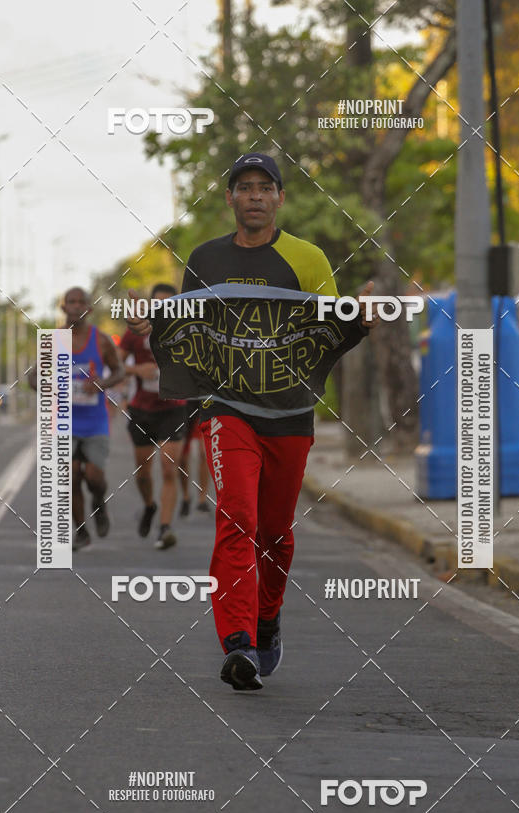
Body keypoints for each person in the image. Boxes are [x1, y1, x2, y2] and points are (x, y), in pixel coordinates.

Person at [126, 152, 380, 690]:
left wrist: (361, 317)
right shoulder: (205, 259)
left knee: (275, 535)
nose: (256, 196)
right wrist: (157, 325)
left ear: (280, 198)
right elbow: (188, 327)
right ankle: (237, 642)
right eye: (245, 187)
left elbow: (327, 332)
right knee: (236, 516)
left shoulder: (307, 260)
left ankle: (267, 619)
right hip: (229, 409)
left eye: (266, 187)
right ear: (231, 199)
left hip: (289, 414)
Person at [29, 287, 124, 551]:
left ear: (89, 309)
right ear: (63, 308)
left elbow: (119, 371)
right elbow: (33, 377)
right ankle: (81, 531)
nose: (76, 306)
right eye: (71, 302)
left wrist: (102, 383)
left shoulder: (101, 340)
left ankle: (99, 502)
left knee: (94, 476)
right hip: (64, 420)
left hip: (94, 420)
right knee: (70, 477)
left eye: (81, 302)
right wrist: (48, 387)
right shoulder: (54, 339)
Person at [118, 283, 188, 549]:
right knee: (143, 474)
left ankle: (165, 528)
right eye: (158, 304)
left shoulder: (184, 331)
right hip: (142, 410)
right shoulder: (135, 332)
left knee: (169, 468)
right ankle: (149, 506)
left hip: (174, 408)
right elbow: (116, 365)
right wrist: (137, 370)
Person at [179, 399, 210, 516]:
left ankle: (202, 499)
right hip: (184, 402)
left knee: (204, 452)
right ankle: (186, 496)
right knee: (182, 456)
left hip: (202, 401)